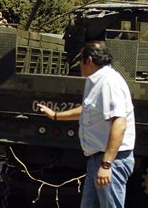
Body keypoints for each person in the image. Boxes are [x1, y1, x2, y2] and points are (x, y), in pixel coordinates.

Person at [37, 41, 135, 208]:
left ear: (88, 60)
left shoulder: (108, 83)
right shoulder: (96, 80)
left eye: (80, 61)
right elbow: (88, 109)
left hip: (111, 161)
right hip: (97, 160)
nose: (79, 66)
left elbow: (119, 123)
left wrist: (106, 164)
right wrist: (55, 115)